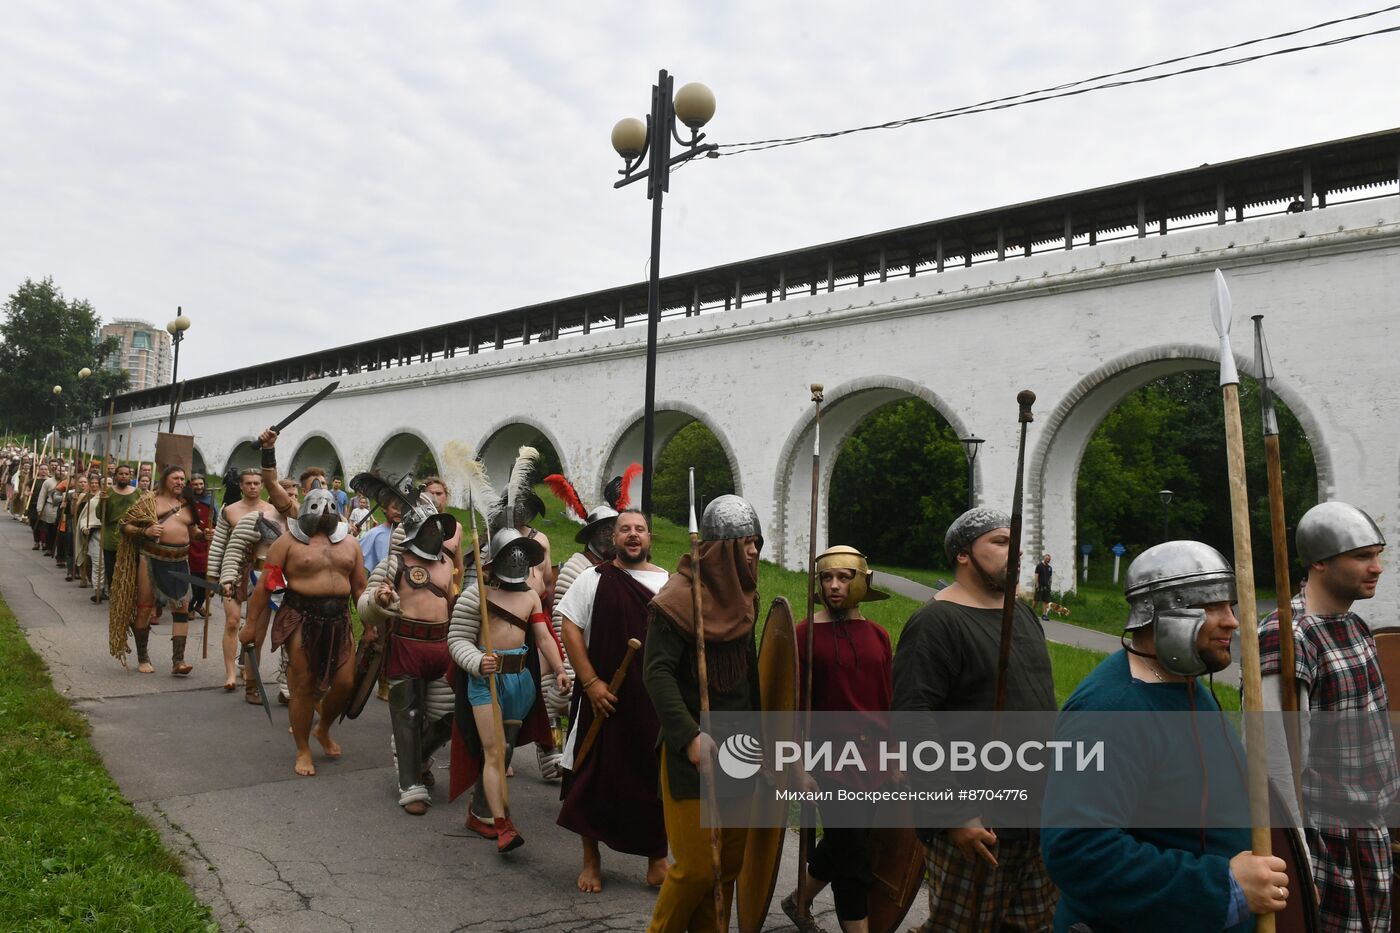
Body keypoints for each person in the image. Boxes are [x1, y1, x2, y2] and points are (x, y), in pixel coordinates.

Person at [1042, 540, 1290, 931]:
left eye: (1230, 606)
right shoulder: (1109, 711)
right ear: (1164, 613)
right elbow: (1078, 850)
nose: (1232, 621)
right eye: (1212, 607)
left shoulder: (1185, 684)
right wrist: (1221, 887)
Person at [892, 507, 1058, 932]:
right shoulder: (936, 622)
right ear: (962, 555)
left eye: (1015, 543)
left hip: (1036, 818)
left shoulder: (1021, 615)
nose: (1014, 552)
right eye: (1001, 542)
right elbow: (913, 722)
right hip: (976, 822)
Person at [1259, 501, 1396, 932]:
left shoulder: (1354, 626)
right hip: (1326, 849)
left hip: (1371, 837)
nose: (1376, 567)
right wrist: (1297, 864)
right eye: (1361, 556)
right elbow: (1273, 766)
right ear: (1319, 561)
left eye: (1378, 554)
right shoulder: (1288, 637)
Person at [644, 494, 763, 932]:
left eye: (757, 542)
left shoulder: (745, 597)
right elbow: (656, 674)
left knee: (726, 867)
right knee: (695, 867)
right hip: (691, 749)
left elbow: (751, 678)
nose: (754, 551)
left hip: (741, 747)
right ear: (721, 548)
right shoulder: (677, 601)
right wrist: (690, 735)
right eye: (746, 543)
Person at [557, 508, 669, 893]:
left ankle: (658, 860)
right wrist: (589, 682)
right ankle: (591, 860)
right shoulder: (594, 578)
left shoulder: (668, 585)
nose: (633, 535)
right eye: (625, 530)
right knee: (590, 776)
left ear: (650, 538)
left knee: (654, 780)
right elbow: (569, 625)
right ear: (614, 538)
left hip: (652, 702)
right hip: (602, 698)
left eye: (640, 529)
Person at [783, 545, 893, 933]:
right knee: (855, 857)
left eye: (843, 578)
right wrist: (796, 767)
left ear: (861, 581)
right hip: (829, 761)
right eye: (827, 578)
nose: (834, 586)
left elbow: (887, 703)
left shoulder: (879, 636)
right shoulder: (802, 635)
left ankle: (799, 899)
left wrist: (895, 760)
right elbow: (790, 707)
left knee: (850, 841)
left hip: (874, 761)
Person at [447, 528, 571, 852]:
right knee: (494, 751)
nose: (516, 559)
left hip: (520, 682)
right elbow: (457, 639)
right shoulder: (477, 594)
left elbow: (543, 637)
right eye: (510, 552)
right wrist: (476, 660)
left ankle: (483, 811)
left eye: (521, 552)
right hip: (486, 679)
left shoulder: (531, 596)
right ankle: (502, 825)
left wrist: (559, 669)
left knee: (507, 753)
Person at [240, 485, 366, 776]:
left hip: (340, 618)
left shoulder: (350, 543)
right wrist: (249, 626)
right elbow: (265, 585)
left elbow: (360, 588)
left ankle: (322, 729)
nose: (323, 512)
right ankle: (303, 748)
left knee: (346, 682)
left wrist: (371, 623)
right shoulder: (287, 542)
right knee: (304, 686)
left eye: (328, 507)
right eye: (317, 507)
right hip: (301, 616)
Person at [357, 498, 459, 815]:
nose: (435, 530)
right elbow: (365, 605)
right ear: (415, 529)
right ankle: (411, 784)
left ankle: (415, 757)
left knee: (447, 719)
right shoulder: (394, 564)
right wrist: (379, 598)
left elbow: (452, 603)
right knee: (409, 717)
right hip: (406, 645)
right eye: (429, 525)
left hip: (441, 646)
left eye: (438, 525)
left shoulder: (446, 563)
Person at [538, 489, 619, 782]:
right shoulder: (577, 567)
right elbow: (563, 623)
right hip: (571, 660)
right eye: (607, 530)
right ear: (593, 535)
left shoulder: (610, 568)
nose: (613, 536)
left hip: (596, 657)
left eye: (615, 529)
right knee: (561, 708)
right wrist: (570, 670)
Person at [108, 464, 206, 675]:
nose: (180, 482)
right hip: (151, 559)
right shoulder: (148, 501)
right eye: (175, 478)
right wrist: (146, 530)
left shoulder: (188, 505)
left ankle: (178, 661)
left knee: (181, 608)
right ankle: (143, 657)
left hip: (180, 561)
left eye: (182, 479)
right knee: (145, 607)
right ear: (165, 480)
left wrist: (202, 535)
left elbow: (193, 530)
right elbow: (125, 525)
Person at [210, 468, 285, 696]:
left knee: (255, 629)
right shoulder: (229, 511)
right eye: (248, 483)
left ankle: (249, 671)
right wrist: (213, 575)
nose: (252, 487)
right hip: (234, 571)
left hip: (262, 574)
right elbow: (219, 544)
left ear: (262, 485)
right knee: (233, 621)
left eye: (256, 483)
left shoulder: (273, 511)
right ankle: (231, 673)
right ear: (241, 486)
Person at [100, 465, 141, 601]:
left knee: (130, 568)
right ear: (116, 476)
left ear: (130, 476)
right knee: (112, 569)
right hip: (111, 536)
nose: (124, 476)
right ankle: (114, 595)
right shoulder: (108, 493)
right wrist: (103, 502)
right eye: (121, 474)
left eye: (126, 474)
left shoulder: (138, 493)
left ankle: (128, 595)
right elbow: (102, 516)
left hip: (131, 536)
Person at [185, 474, 213, 620]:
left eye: (201, 484)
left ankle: (198, 604)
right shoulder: (185, 502)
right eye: (195, 484)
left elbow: (218, 521)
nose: (199, 487)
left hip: (207, 544)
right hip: (191, 543)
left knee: (207, 578)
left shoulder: (210, 501)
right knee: (194, 578)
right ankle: (190, 606)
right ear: (190, 486)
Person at [1033, 553, 1053, 620]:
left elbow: (1050, 577)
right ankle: (1031, 612)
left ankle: (1044, 615)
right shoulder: (1039, 566)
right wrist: (1037, 585)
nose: (1048, 560)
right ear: (1044, 559)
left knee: (1045, 601)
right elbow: (1036, 576)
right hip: (1039, 586)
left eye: (1049, 559)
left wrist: (1050, 585)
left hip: (1046, 587)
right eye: (1047, 559)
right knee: (1036, 600)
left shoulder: (1050, 568)